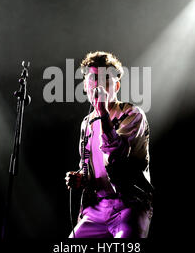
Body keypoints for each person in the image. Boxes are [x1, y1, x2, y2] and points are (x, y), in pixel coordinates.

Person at [65, 51, 153, 238]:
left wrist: (103, 114)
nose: (97, 85)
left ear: (116, 85)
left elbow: (117, 156)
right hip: (96, 208)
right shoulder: (86, 123)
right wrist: (81, 177)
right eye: (92, 78)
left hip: (129, 205)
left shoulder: (132, 114)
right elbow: (88, 164)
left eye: (105, 79)